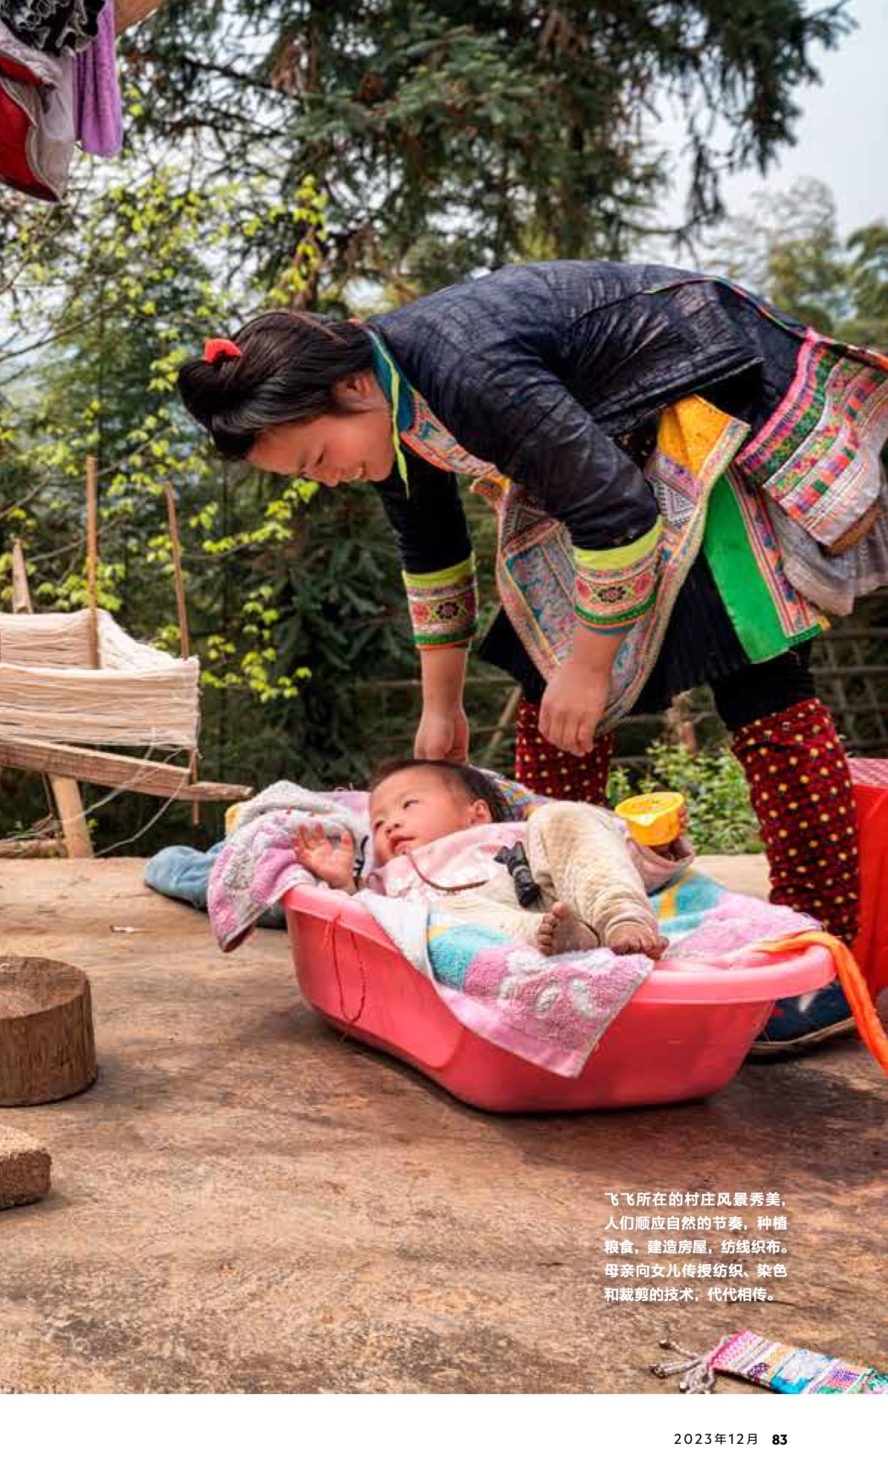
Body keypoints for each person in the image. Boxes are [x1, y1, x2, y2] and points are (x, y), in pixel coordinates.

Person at [177, 261, 887, 1052]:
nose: (332, 478)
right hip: (608, 467)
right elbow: (432, 549)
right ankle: (563, 923)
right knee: (547, 700)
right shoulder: (391, 410)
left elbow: (616, 511)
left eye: (317, 458)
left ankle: (812, 957)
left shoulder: (460, 366)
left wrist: (586, 667)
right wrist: (439, 708)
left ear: (350, 389)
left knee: (758, 675)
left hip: (702, 411)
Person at [290, 760, 672, 958]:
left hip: (552, 889)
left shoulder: (512, 832)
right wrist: (343, 883)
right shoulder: (389, 878)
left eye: (408, 805)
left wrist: (657, 843)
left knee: (564, 817)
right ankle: (563, 941)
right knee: (432, 919)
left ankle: (622, 918)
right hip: (499, 923)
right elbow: (365, 924)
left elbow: (595, 859)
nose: (392, 824)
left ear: (477, 814)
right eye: (379, 822)